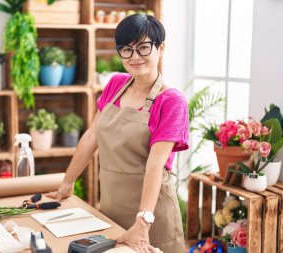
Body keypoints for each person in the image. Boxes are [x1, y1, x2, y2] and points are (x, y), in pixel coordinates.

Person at [46, 14, 189, 253]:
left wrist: (143, 222)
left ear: (160, 48)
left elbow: (155, 164)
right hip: (111, 207)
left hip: (151, 214)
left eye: (143, 47)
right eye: (126, 49)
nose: (135, 57)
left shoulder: (171, 101)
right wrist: (67, 182)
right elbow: (92, 136)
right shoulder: (115, 85)